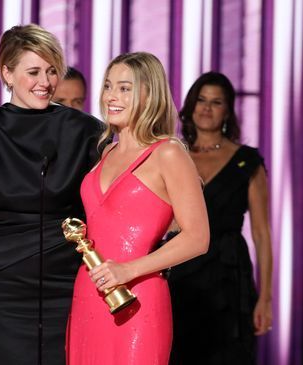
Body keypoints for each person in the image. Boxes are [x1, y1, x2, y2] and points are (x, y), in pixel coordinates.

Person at [0, 24, 103, 365]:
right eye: (33, 71)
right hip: (2, 290)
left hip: (67, 285)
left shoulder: (86, 131)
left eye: (52, 71)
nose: (45, 82)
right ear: (6, 72)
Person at [66, 52, 210, 365]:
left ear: (149, 94)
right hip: (89, 295)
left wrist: (128, 269)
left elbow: (198, 237)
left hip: (138, 299)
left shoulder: (168, 153)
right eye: (107, 86)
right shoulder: (106, 151)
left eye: (124, 88)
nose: (111, 97)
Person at [167, 71, 273, 364]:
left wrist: (265, 297)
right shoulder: (170, 154)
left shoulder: (247, 161)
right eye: (201, 100)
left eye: (216, 102)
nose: (206, 108)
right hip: (180, 271)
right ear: (190, 105)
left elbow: (262, 234)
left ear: (228, 110)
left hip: (229, 276)